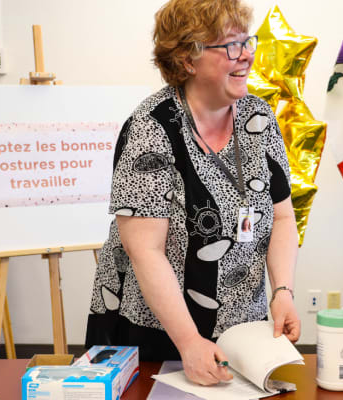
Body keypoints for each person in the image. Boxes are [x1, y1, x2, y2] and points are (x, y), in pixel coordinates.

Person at [85, 0, 300, 387]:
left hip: (243, 331)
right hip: (161, 333)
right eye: (231, 46)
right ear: (188, 59)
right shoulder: (151, 130)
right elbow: (145, 250)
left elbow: (282, 217)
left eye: (246, 41)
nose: (247, 54)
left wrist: (282, 290)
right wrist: (189, 342)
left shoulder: (259, 118)